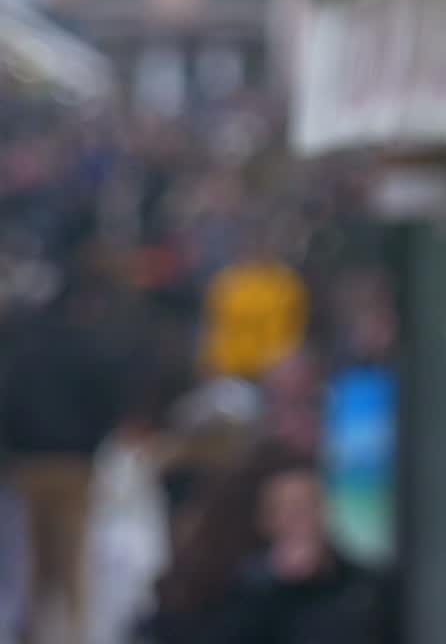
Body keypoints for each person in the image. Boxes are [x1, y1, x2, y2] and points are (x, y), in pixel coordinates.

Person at [0, 254, 143, 644]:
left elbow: (9, 399)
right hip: (75, 464)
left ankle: (28, 631)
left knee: (29, 558)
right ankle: (75, 631)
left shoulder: (27, 348)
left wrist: (14, 447)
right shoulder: (91, 348)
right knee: (72, 555)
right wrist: (91, 446)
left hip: (30, 463)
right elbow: (110, 401)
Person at [136, 442, 397, 644]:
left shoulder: (361, 586)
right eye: (288, 509)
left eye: (310, 505)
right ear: (267, 520)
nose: (301, 519)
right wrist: (275, 586)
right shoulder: (241, 588)